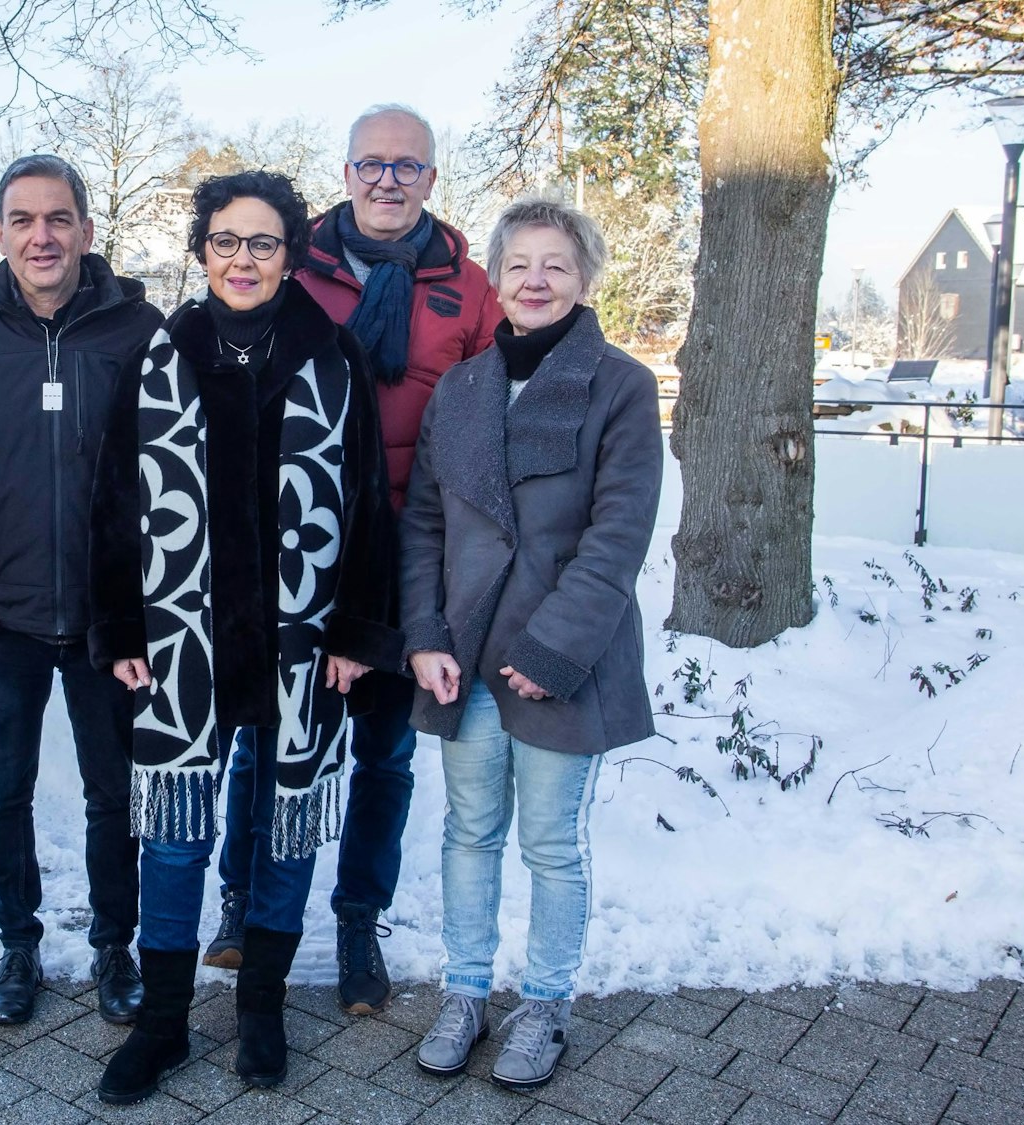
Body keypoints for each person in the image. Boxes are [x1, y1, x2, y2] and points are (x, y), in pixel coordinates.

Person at [89, 171, 402, 1104]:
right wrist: (119, 624)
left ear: (291, 252)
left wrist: (356, 627)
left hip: (301, 644)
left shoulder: (333, 358)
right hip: (187, 640)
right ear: (202, 249)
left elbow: (367, 507)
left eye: (263, 242)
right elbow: (114, 504)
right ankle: (166, 1022)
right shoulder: (160, 356)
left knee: (283, 828)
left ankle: (260, 1007)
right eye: (226, 240)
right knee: (178, 836)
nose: (242, 259)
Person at [205, 103, 504, 1018]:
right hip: (295, 548)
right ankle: (243, 900)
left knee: (382, 754)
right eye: (370, 163)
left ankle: (357, 921)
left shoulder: (469, 286)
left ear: (430, 181)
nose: (387, 180)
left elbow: (491, 417)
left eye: (406, 166)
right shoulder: (296, 264)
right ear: (345, 174)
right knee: (265, 739)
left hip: (411, 551)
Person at [401, 197, 662, 1089]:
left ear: (583, 277)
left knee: (552, 843)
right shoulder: (462, 387)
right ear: (496, 279)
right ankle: (466, 990)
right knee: (469, 833)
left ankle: (544, 1004)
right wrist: (426, 635)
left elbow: (618, 537)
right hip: (465, 660)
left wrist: (554, 651)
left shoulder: (621, 386)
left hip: (563, 661)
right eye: (519, 264)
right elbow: (426, 525)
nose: (536, 280)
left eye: (556, 264)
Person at [0, 155, 163, 1026]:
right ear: (0, 235)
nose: (41, 236)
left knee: (113, 792)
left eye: (58, 218)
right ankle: (16, 943)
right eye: (22, 219)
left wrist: (142, 598)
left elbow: (171, 478)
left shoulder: (139, 331)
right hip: (1, 615)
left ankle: (113, 946)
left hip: (110, 621)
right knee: (2, 789)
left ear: (88, 232)